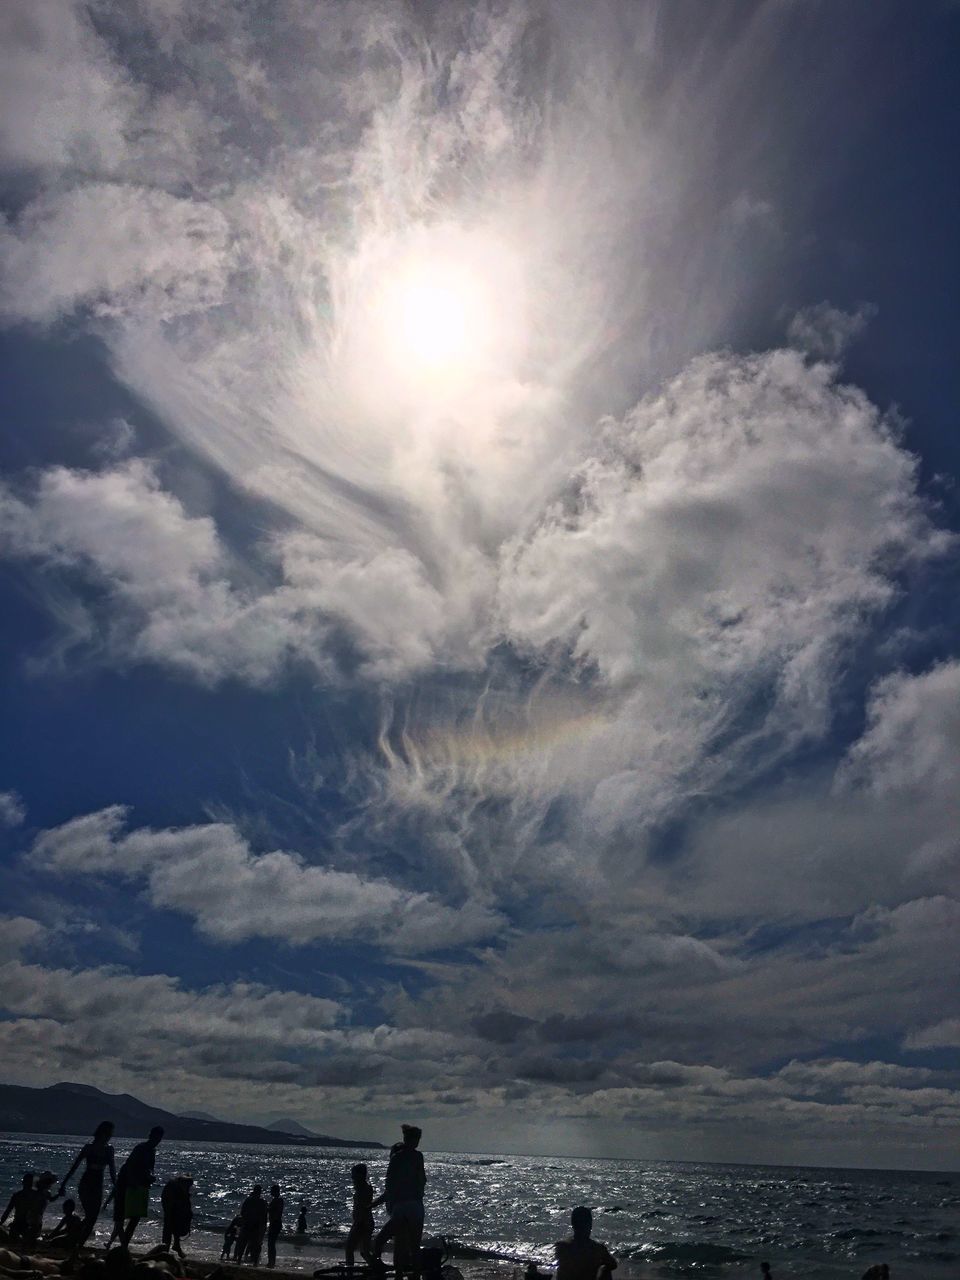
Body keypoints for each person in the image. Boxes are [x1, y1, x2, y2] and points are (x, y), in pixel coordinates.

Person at [372, 1124, 426, 1275]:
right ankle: (413, 1274)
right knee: (414, 1247)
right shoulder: (418, 1156)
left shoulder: (396, 1158)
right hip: (415, 1205)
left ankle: (394, 1273)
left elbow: (389, 1185)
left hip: (401, 1206)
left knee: (398, 1244)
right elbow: (422, 1180)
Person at [59, 1120, 117, 1249]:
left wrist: (117, 1187)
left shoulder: (109, 1150)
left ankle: (77, 1242)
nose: (109, 1137)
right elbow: (74, 1167)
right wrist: (63, 1185)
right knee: (90, 1216)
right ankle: (75, 1241)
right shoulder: (88, 1148)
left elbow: (112, 1171)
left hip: (97, 1185)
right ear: (102, 1133)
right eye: (108, 1134)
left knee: (92, 1217)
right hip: (86, 1184)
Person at [113, 1126, 164, 1249]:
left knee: (135, 1218)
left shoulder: (152, 1151)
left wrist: (151, 1176)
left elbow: (150, 1168)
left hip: (141, 1185)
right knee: (121, 1217)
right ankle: (123, 1245)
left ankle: (124, 1244)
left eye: (159, 1138)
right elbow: (129, 1166)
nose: (157, 1140)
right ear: (151, 1136)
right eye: (156, 1137)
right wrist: (132, 1181)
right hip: (129, 1185)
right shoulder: (140, 1148)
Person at [554, 1208, 617, 1280]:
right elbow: (613, 1265)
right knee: (606, 1270)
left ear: (573, 1225)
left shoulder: (562, 1246)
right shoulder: (597, 1249)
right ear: (590, 1225)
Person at [345, 1164, 375, 1268]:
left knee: (349, 1248)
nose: (352, 1177)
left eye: (354, 1175)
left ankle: (350, 1272)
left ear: (360, 1175)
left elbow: (363, 1208)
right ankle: (375, 1269)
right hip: (365, 1222)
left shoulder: (363, 1189)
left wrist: (359, 1223)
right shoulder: (365, 1188)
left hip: (362, 1222)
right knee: (364, 1252)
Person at [160, 1175, 193, 1258]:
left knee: (176, 1224)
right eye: (188, 1186)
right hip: (169, 1205)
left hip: (175, 1205)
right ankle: (165, 1249)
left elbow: (186, 1200)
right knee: (169, 1225)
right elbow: (168, 1202)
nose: (188, 1188)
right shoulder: (173, 1187)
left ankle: (176, 1245)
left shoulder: (182, 1187)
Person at [235, 1185, 268, 1265]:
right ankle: (255, 1262)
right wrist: (263, 1227)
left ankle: (239, 1259)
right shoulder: (262, 1202)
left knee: (244, 1243)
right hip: (255, 1225)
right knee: (256, 1244)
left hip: (248, 1224)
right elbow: (264, 1216)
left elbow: (242, 1212)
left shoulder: (249, 1200)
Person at [1, 1174, 37, 1243]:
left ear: (23, 1182)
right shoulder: (35, 1195)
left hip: (19, 1223)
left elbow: (8, 1210)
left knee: (12, 1239)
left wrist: (1, 1222)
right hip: (29, 1225)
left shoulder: (17, 1195)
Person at [266, 1185, 284, 1268]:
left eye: (272, 1190)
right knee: (271, 1244)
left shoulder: (278, 1200)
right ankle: (271, 1261)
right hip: (275, 1223)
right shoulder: (277, 1200)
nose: (270, 1192)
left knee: (271, 1243)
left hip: (275, 1223)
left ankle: (271, 1262)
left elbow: (276, 1212)